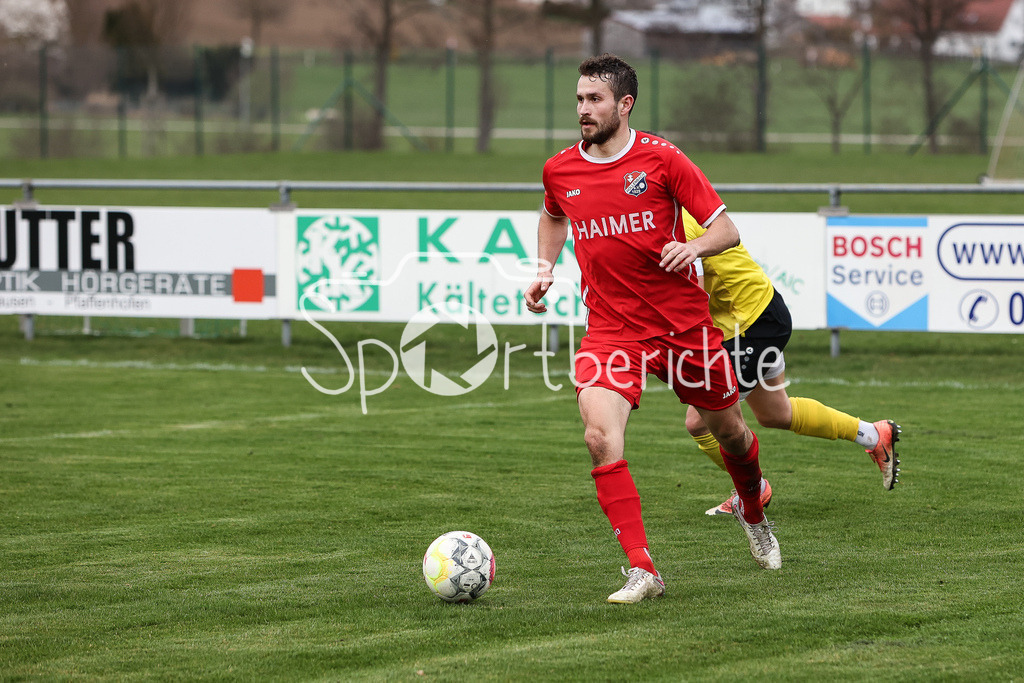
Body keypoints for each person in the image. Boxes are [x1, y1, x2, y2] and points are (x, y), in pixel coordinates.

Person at [524, 53, 780, 605]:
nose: (582, 109)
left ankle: (755, 514)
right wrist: (544, 268)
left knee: (730, 432)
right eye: (578, 99)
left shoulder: (664, 160)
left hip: (684, 327)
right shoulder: (560, 169)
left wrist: (693, 246)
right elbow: (552, 214)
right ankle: (643, 570)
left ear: (624, 104)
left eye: (594, 100)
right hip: (612, 331)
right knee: (598, 437)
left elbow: (726, 229)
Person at [680, 213, 901, 516]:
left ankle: (754, 490)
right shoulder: (679, 212)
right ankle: (873, 435)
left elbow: (695, 298)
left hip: (749, 327)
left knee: (699, 421)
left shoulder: (677, 222)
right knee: (775, 413)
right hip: (760, 315)